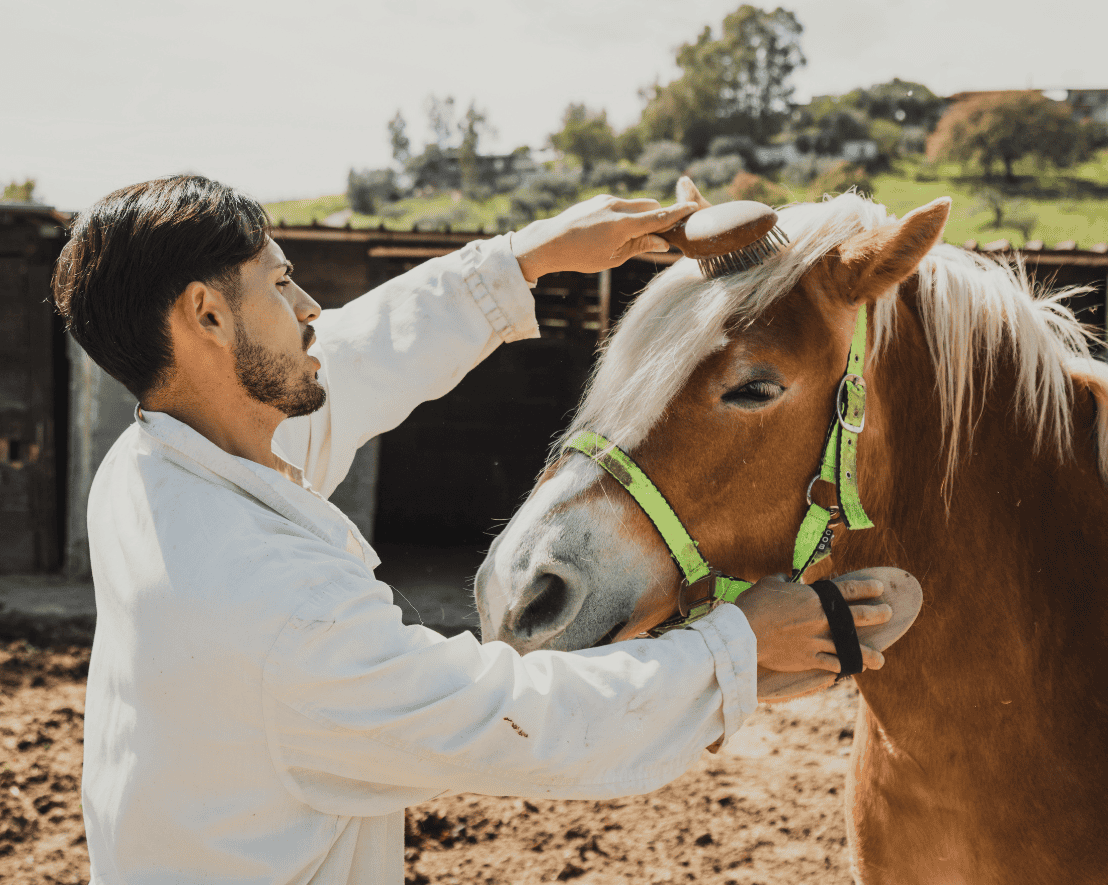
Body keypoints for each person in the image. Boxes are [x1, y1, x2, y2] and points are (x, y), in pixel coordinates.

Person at [53, 174, 894, 884]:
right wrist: (735, 649)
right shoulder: (270, 606)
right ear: (204, 316)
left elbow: (358, 353)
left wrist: (531, 255)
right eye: (279, 284)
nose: (311, 308)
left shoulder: (149, 468)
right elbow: (509, 721)